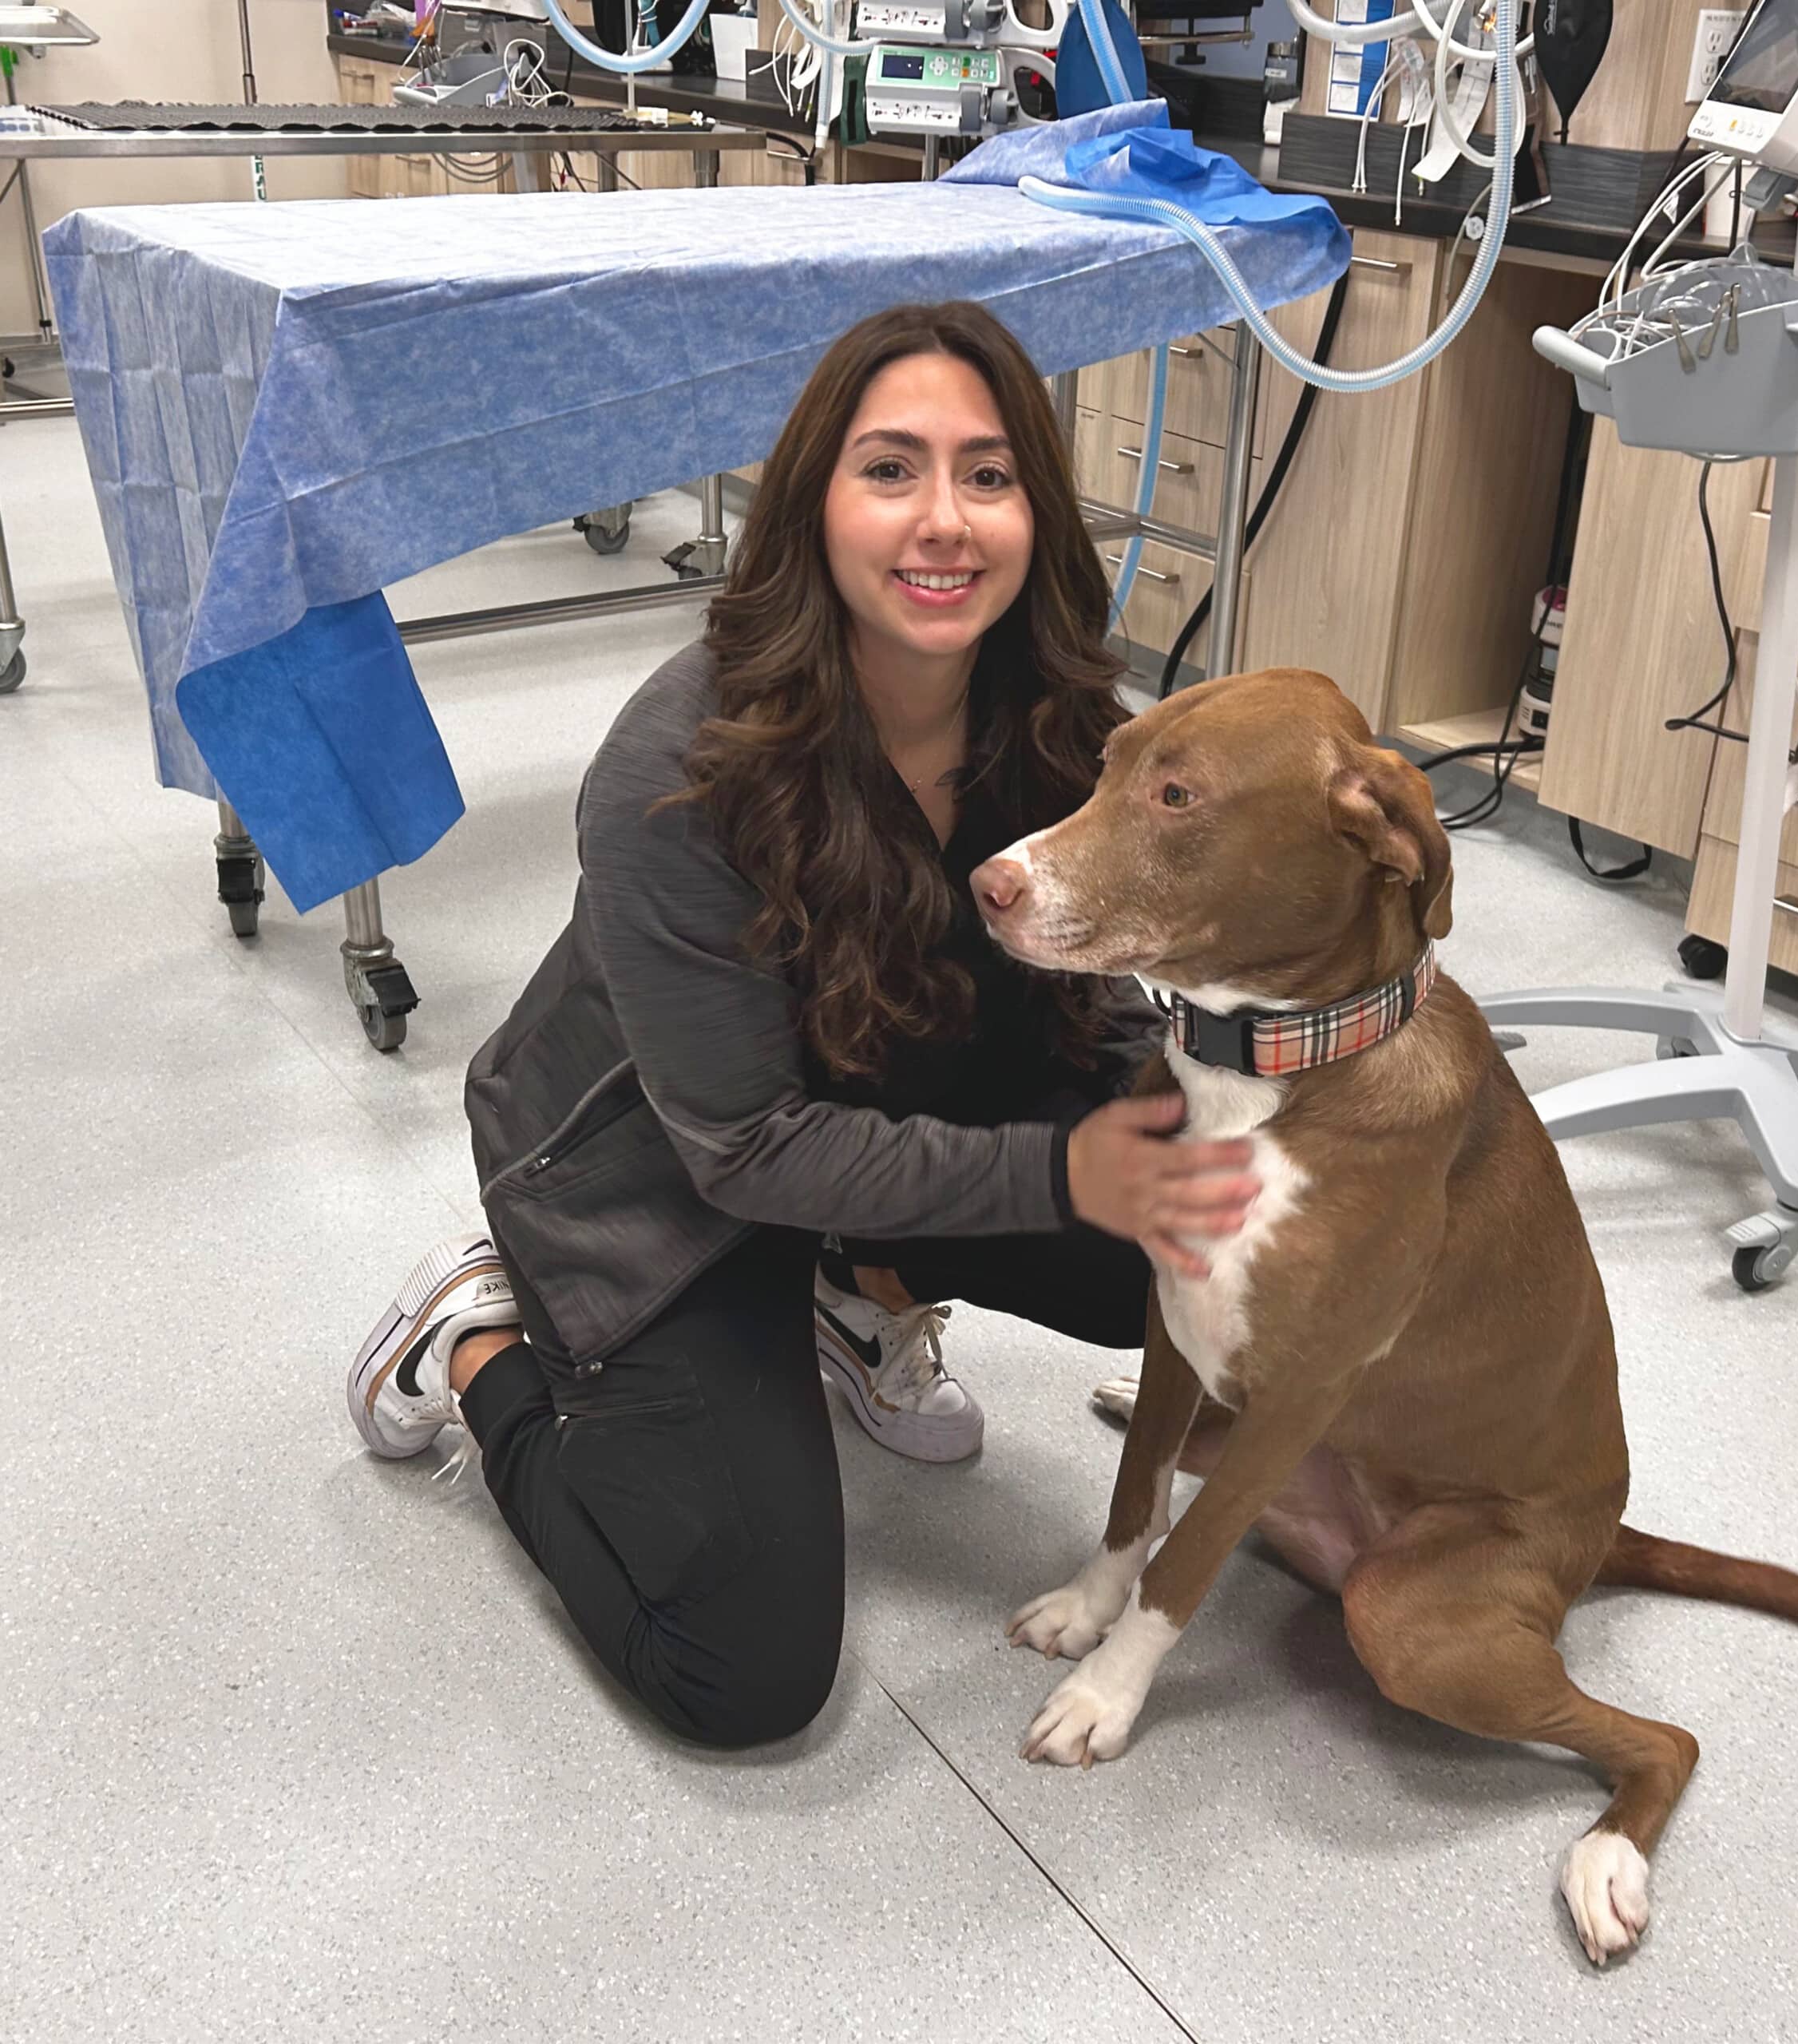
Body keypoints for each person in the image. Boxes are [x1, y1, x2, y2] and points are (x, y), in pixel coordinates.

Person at [345, 301, 1261, 1749]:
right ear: (811, 505)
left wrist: (1210, 1118)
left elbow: (1086, 994)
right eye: (890, 470)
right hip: (665, 1176)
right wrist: (1060, 1174)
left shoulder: (1068, 715)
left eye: (990, 474)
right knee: (745, 1671)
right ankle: (471, 1347)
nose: (943, 522)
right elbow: (747, 1145)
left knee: (1193, 1251)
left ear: (1038, 509)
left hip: (891, 1100)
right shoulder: (680, 764)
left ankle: (859, 1293)